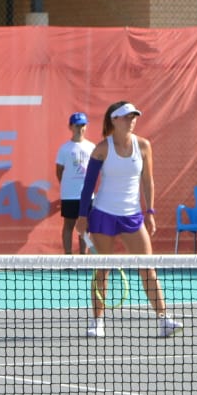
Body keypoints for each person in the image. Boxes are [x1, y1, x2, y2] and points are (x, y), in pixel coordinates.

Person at [79, 101, 180, 339]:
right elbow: (88, 186)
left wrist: (151, 213)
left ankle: (164, 320)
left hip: (132, 217)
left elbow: (148, 182)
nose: (131, 120)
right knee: (102, 271)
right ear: (114, 120)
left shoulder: (143, 146)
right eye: (126, 117)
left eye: (133, 117)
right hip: (103, 214)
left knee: (148, 269)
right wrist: (82, 217)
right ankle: (97, 321)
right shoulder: (102, 149)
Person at [50, 112, 95, 255]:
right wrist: (67, 187)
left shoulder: (92, 147)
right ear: (71, 127)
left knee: (85, 226)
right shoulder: (64, 149)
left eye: (83, 125)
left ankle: (83, 257)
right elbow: (59, 171)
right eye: (77, 125)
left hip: (87, 196)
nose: (80, 129)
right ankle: (68, 257)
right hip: (69, 195)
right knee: (69, 225)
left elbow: (95, 171)